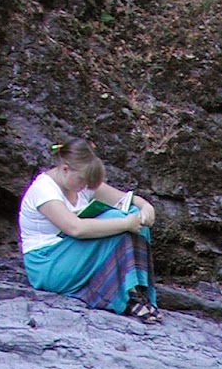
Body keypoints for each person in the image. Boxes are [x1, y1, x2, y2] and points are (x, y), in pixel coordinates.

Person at [18, 138, 162, 323]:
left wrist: (145, 207)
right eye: (82, 180)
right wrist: (126, 224)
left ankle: (135, 291)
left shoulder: (80, 184)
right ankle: (126, 296)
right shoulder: (43, 190)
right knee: (118, 223)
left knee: (134, 214)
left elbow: (126, 201)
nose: (84, 186)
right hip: (47, 263)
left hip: (73, 254)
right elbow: (75, 228)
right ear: (64, 169)